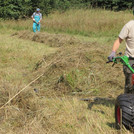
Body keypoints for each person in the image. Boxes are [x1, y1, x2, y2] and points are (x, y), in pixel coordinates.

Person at [108, 19, 134, 94]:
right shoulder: (129, 25)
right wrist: (113, 52)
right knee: (130, 85)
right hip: (130, 61)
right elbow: (119, 40)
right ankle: (128, 103)